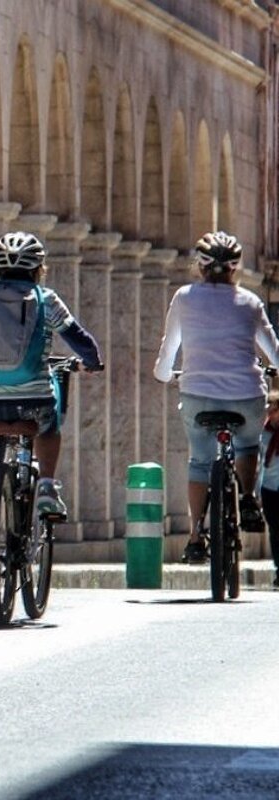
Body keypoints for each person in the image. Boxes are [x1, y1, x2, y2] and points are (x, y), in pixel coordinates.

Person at [0, 232, 102, 601]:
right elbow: (78, 337)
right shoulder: (44, 298)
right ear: (38, 270)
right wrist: (93, 362)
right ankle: (48, 486)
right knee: (49, 423)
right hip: (32, 396)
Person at [153, 231, 279, 563]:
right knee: (249, 445)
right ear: (235, 269)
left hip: (197, 394)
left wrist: (164, 374)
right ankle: (249, 497)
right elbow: (274, 354)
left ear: (200, 266)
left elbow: (169, 349)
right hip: (246, 394)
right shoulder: (250, 303)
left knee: (199, 461)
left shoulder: (184, 297)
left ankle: (196, 535)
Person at [259, 392, 279, 588]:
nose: (271, 414)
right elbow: (259, 463)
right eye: (270, 410)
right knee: (274, 529)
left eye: (275, 410)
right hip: (269, 487)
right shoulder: (264, 434)